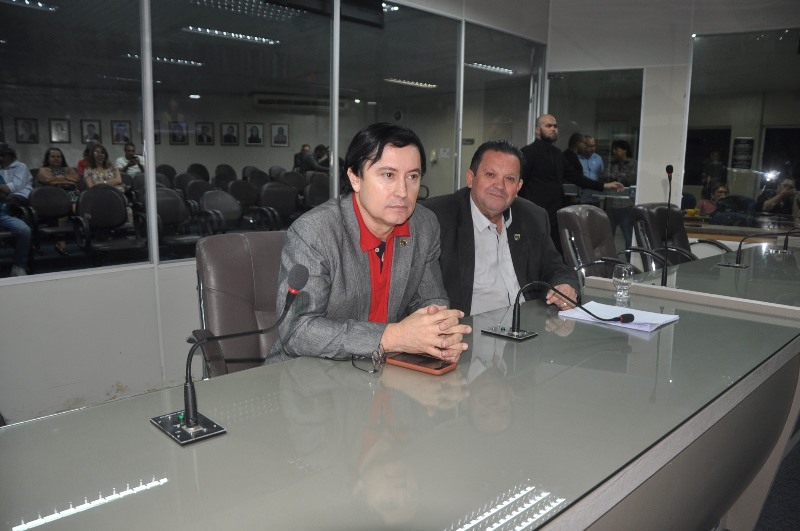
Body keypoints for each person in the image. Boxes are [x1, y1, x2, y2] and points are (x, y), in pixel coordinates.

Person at [268, 122, 471, 363]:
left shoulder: (424, 225)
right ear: (355, 178)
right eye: (388, 175)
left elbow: (430, 302)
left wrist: (442, 334)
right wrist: (392, 336)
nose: (403, 191)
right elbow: (297, 331)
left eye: (412, 176)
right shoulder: (314, 232)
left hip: (384, 368)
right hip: (308, 371)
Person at [425, 140, 579, 316]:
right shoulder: (436, 218)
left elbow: (555, 268)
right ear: (470, 178)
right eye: (491, 174)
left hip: (528, 324)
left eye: (509, 179)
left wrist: (566, 286)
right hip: (468, 327)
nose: (499, 185)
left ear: (518, 187)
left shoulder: (533, 217)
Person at [519, 114, 622, 254]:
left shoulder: (557, 154)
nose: (553, 129)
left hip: (555, 216)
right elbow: (519, 182)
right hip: (535, 215)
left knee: (555, 253)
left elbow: (575, 177)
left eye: (555, 126)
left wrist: (604, 186)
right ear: (537, 130)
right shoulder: (527, 152)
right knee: (534, 252)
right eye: (548, 126)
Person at [37, 147, 81, 255]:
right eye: (53, 156)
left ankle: (84, 237)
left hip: (72, 194)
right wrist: (66, 178)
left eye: (59, 156)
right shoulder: (43, 170)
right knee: (63, 209)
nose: (56, 159)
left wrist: (56, 178)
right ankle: (61, 242)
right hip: (53, 197)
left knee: (81, 207)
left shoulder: (69, 169)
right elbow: (47, 180)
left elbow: (76, 179)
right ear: (48, 158)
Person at [0, 143, 33, 276]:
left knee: (24, 229)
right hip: (6, 203)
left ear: (11, 155)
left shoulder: (21, 167)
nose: (1, 158)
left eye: (3, 155)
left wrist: (4, 191)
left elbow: (12, 188)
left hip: (17, 200)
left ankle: (19, 265)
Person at [604, 139, 638, 250]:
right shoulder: (611, 164)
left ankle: (630, 258)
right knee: (607, 237)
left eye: (616, 149)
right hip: (611, 205)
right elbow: (605, 177)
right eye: (613, 149)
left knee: (628, 237)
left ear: (625, 150)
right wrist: (617, 180)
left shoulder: (633, 164)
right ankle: (608, 257)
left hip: (626, 206)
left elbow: (630, 180)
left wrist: (615, 180)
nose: (614, 152)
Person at [578, 134, 604, 205]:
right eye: (589, 146)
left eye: (594, 146)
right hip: (581, 199)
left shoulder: (598, 158)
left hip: (595, 198)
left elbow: (602, 176)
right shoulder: (576, 159)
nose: (592, 149)